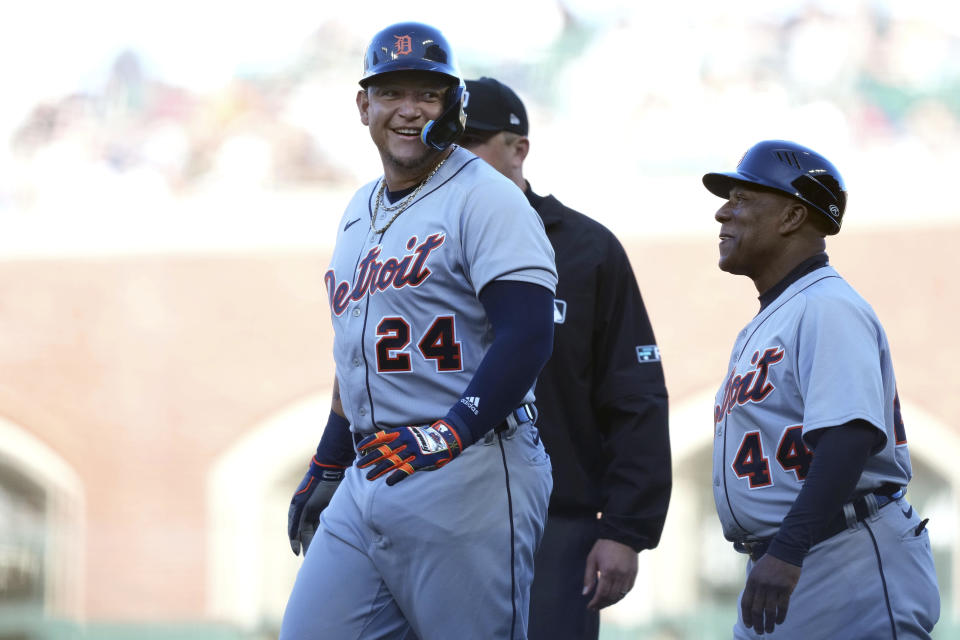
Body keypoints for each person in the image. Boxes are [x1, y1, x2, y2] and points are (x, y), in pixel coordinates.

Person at [280, 23, 558, 640]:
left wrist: (451, 432)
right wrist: (331, 455)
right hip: (375, 468)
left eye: (428, 95)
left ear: (452, 107)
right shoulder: (359, 208)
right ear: (364, 106)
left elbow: (529, 334)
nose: (409, 109)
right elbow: (357, 353)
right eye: (392, 92)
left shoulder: (485, 197)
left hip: (471, 469)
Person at [458, 77, 671, 640]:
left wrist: (626, 529)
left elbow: (634, 394)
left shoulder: (585, 247)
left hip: (554, 527)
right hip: (436, 515)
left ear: (518, 148)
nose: (458, 157)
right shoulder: (420, 246)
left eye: (474, 141)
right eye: (448, 142)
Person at [703, 139, 940, 638]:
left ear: (791, 217)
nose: (724, 212)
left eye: (743, 199)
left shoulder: (827, 306)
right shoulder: (775, 316)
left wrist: (787, 550)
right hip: (793, 558)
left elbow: (849, 435)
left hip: (843, 556)